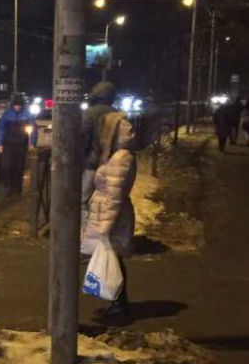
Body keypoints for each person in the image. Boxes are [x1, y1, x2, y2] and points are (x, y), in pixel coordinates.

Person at [82, 109, 137, 323]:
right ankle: (117, 304)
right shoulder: (119, 155)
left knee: (114, 260)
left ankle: (119, 307)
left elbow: (114, 195)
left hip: (113, 217)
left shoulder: (120, 158)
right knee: (114, 260)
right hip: (112, 214)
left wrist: (103, 228)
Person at [81, 81, 117, 230]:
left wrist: (80, 157)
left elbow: (84, 138)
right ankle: (103, 231)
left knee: (84, 200)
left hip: (92, 163)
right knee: (106, 201)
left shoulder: (90, 113)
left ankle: (85, 231)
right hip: (112, 164)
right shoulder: (117, 114)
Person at [0, 95, 37, 197]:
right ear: (12, 105)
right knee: (8, 166)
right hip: (9, 144)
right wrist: (0, 143)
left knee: (19, 167)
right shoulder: (7, 114)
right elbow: (2, 129)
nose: (17, 107)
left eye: (19, 105)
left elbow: (33, 129)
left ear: (22, 105)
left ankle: (17, 188)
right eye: (16, 105)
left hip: (21, 145)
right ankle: (7, 187)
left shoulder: (27, 114)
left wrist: (32, 143)